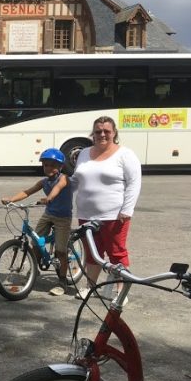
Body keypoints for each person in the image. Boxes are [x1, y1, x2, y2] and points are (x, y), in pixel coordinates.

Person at [71, 115, 142, 300]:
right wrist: (58, 192)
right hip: (86, 214)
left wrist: (127, 210)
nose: (102, 134)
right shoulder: (84, 153)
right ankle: (90, 287)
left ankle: (120, 292)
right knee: (92, 253)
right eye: (98, 131)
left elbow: (134, 183)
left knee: (116, 253)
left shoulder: (125, 154)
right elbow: (76, 180)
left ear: (114, 133)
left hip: (114, 215)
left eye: (106, 131)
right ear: (92, 134)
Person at [1, 147, 72, 296]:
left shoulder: (63, 178)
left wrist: (48, 198)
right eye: (45, 165)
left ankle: (63, 280)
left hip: (63, 218)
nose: (48, 168)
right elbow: (27, 191)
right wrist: (11, 199)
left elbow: (57, 189)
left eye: (52, 165)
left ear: (60, 167)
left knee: (60, 251)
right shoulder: (44, 182)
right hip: (49, 214)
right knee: (35, 243)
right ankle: (34, 270)